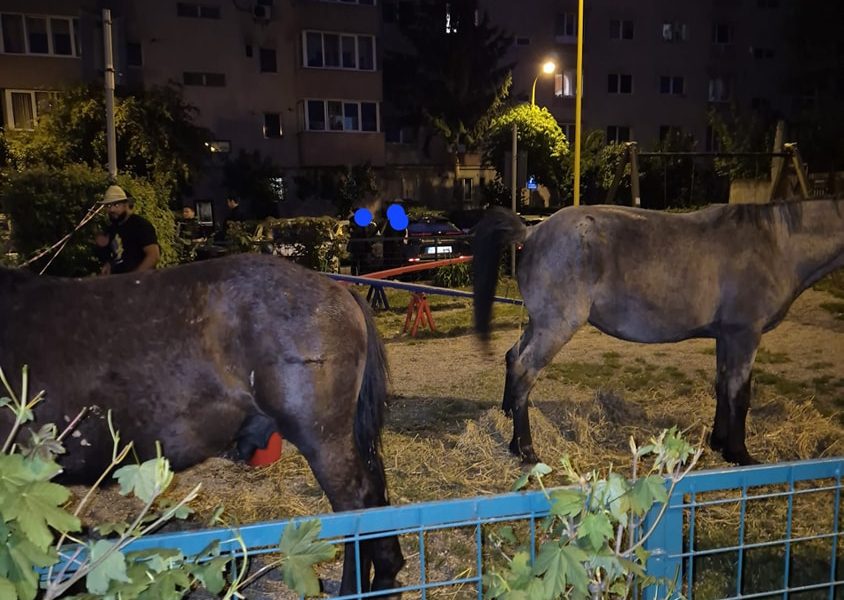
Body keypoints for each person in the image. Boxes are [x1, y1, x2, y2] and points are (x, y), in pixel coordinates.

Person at [96, 184, 160, 275]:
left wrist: (134, 277)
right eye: (108, 206)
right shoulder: (112, 228)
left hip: (140, 281)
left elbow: (153, 255)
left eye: (116, 205)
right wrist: (108, 264)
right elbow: (117, 256)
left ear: (125, 205)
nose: (112, 210)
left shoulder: (140, 225)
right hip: (119, 280)